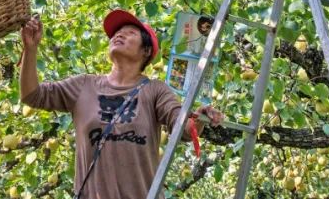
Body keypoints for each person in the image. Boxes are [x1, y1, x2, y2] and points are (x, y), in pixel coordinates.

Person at [19, 10, 224, 199]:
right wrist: (30, 48)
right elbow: (32, 95)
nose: (119, 35)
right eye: (117, 32)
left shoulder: (155, 90)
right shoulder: (84, 85)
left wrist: (199, 117)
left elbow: (183, 127)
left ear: (145, 51)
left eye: (130, 33)